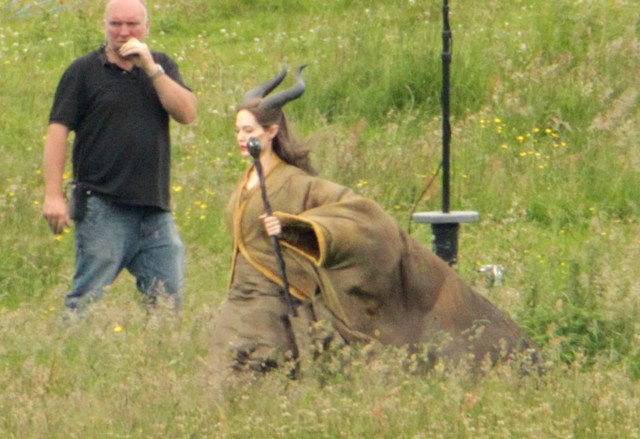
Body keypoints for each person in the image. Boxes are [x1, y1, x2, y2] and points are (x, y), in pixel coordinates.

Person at [210, 65, 535, 380]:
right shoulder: (248, 178)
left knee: (248, 372)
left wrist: (295, 228)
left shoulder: (297, 182)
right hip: (239, 296)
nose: (241, 137)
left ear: (271, 131)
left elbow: (358, 214)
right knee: (229, 374)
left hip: (272, 301)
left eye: (249, 131)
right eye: (238, 130)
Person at [42, 0, 197, 312]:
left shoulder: (161, 66)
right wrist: (53, 195)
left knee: (167, 300)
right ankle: (72, 343)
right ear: (105, 26)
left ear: (146, 27)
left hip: (154, 208)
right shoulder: (83, 71)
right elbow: (58, 132)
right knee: (87, 299)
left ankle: (159, 344)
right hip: (102, 205)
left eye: (132, 24)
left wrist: (151, 68)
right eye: (115, 24)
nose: (124, 32)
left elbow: (186, 113)